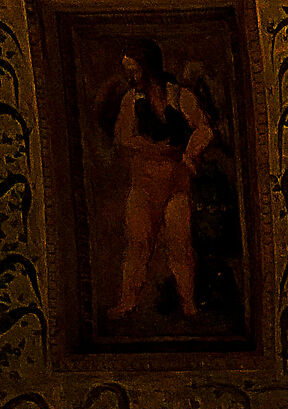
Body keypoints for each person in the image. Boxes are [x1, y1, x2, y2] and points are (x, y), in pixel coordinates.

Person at [102, 40, 214, 320]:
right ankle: (128, 303)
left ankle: (188, 304)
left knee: (180, 244)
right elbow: (122, 138)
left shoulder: (179, 96)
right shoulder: (131, 101)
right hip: (144, 184)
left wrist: (190, 153)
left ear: (149, 69)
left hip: (176, 183)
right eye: (129, 71)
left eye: (135, 70)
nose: (131, 77)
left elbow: (204, 129)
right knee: (138, 245)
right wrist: (154, 148)